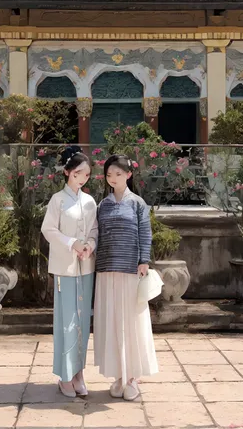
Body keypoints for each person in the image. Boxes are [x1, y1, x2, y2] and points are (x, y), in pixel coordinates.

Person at [93, 153, 158, 401]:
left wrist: (144, 260)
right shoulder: (103, 205)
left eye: (118, 174)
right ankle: (118, 375)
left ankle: (132, 377)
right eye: (109, 175)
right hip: (107, 270)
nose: (113, 178)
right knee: (112, 323)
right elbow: (96, 235)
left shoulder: (138, 203)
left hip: (131, 270)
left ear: (129, 175)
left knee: (131, 324)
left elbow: (145, 233)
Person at [40, 146, 98, 398]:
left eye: (86, 175)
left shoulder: (89, 201)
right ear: (67, 172)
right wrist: (71, 243)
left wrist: (89, 245)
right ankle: (64, 375)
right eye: (78, 174)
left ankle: (79, 373)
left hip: (85, 266)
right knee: (67, 321)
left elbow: (95, 229)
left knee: (83, 322)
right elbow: (48, 230)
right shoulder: (58, 200)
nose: (82, 179)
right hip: (65, 267)